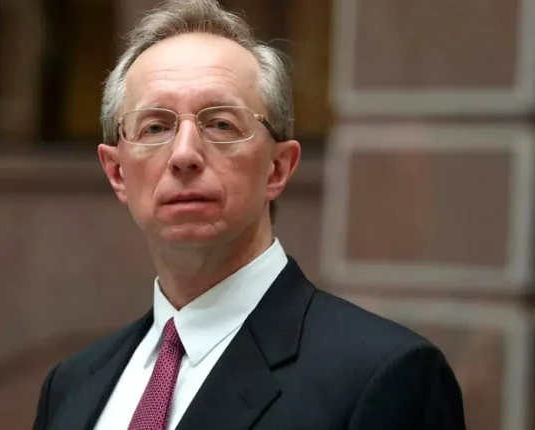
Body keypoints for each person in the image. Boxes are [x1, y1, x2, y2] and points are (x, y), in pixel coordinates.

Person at [32, 0, 466, 429]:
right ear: (117, 173)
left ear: (277, 168)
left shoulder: (386, 375)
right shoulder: (71, 386)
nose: (184, 154)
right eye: (156, 127)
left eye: (221, 124)